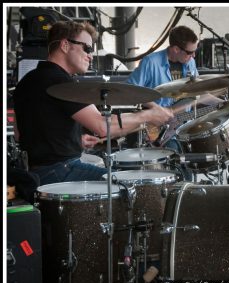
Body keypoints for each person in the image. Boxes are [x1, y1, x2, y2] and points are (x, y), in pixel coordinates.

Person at [13, 20, 172, 186]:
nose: (90, 55)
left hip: (36, 173)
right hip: (61, 171)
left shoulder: (27, 80)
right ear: (65, 45)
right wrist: (148, 115)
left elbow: (20, 134)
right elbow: (103, 126)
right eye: (87, 48)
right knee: (135, 185)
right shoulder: (61, 83)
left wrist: (73, 140)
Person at [126, 25, 200, 180]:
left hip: (183, 123)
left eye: (195, 51)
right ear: (175, 49)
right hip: (159, 127)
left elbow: (196, 91)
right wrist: (158, 109)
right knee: (180, 166)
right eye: (189, 52)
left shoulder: (190, 64)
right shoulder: (150, 62)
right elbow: (131, 91)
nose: (193, 56)